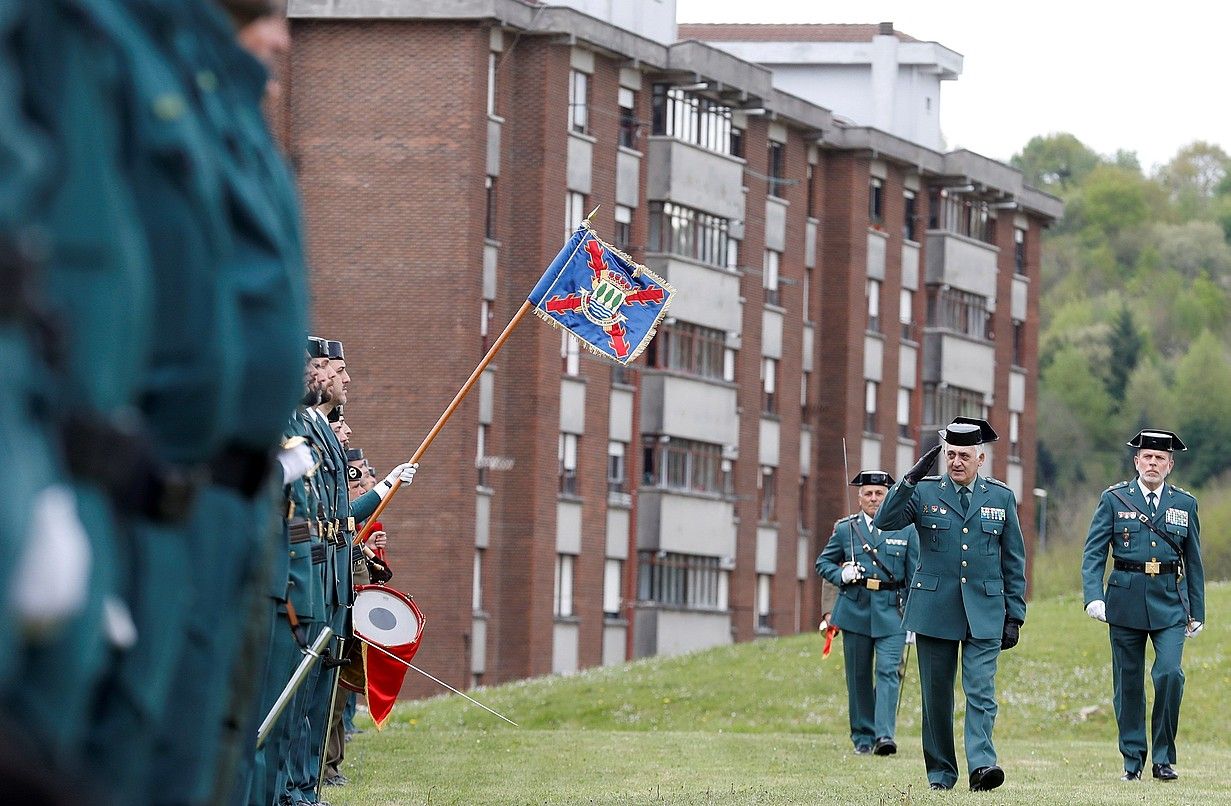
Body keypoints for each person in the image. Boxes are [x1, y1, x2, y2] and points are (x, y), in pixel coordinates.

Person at [874, 417, 1026, 792]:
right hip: (934, 609)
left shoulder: (1001, 497)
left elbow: (1014, 561)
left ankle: (982, 766)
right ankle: (941, 773)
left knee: (981, 691)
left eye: (963, 455)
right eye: (950, 454)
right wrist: (907, 481)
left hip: (985, 611)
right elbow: (884, 521)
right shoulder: (924, 492)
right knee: (937, 698)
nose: (956, 462)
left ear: (980, 458)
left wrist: (1015, 615)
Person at [1081, 429, 1205, 783]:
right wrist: (1093, 595)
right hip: (1124, 600)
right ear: (1137, 462)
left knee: (1169, 675)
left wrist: (1198, 612)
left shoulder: (1184, 504)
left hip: (1170, 602)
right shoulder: (1114, 499)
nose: (1153, 463)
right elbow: (1093, 553)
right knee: (1129, 683)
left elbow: (1194, 562)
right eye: (1147, 457)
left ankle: (1164, 758)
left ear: (1170, 465)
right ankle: (1132, 760)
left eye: (1159, 458)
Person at [817, 470, 918, 757]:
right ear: (859, 498)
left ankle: (884, 735)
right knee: (858, 676)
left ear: (889, 496)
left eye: (880, 493)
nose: (874, 498)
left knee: (889, 672)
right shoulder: (845, 529)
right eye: (868, 493)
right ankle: (862, 736)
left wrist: (914, 619)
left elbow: (913, 575)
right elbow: (823, 563)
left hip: (892, 612)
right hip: (855, 610)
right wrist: (841, 573)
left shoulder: (906, 529)